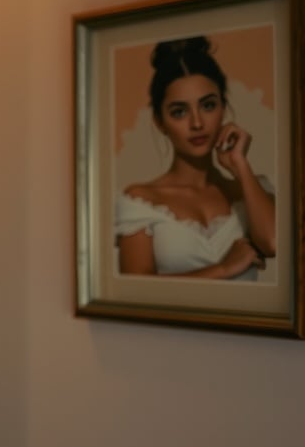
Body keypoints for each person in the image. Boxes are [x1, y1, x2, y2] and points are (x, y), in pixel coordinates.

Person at [115, 35, 276, 280]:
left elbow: (272, 244)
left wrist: (241, 166)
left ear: (223, 108)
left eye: (208, 106)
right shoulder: (140, 201)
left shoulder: (252, 191)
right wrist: (222, 269)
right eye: (179, 112)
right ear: (160, 122)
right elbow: (135, 295)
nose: (197, 123)